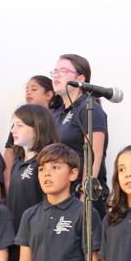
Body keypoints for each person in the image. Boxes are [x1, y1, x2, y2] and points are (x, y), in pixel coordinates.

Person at [51, 54, 109, 219]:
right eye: (54, 71)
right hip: (61, 196)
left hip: (82, 196)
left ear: (81, 78)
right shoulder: (56, 114)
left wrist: (85, 196)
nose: (56, 75)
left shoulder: (89, 108)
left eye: (63, 71)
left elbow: (95, 154)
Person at [3, 75, 58, 184]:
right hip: (21, 171)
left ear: (48, 95)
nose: (28, 93)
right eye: (27, 90)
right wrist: (8, 178)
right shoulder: (20, 119)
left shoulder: (57, 118)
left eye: (34, 89)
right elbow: (10, 150)